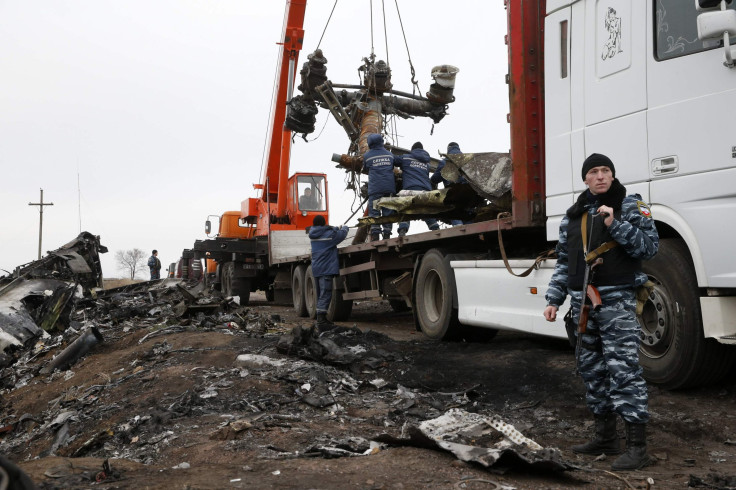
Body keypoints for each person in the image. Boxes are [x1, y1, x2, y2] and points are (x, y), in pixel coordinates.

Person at [543, 153, 659, 471]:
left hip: (617, 302)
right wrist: (553, 299)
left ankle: (637, 448)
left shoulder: (630, 205)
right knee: (592, 371)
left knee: (624, 372)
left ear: (612, 175)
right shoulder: (574, 216)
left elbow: (649, 248)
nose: (600, 176)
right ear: (585, 179)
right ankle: (605, 438)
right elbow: (565, 263)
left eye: (605, 170)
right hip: (583, 305)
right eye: (593, 171)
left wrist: (615, 225)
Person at [308, 215, 349, 331]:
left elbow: (330, 234)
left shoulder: (313, 234)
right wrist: (344, 228)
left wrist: (334, 229)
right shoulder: (328, 235)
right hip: (325, 268)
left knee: (321, 293)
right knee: (326, 293)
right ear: (323, 223)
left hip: (317, 268)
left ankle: (322, 318)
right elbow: (341, 236)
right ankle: (321, 320)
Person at [394, 141, 440, 236]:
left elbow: (393, 160)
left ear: (412, 150)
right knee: (427, 212)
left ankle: (402, 230)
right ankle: (436, 230)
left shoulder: (406, 158)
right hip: (425, 191)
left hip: (410, 189)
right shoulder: (427, 163)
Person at [363, 133, 397, 241]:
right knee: (388, 210)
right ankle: (387, 234)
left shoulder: (367, 156)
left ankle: (375, 235)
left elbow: (365, 168)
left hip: (375, 190)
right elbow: (392, 167)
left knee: (375, 212)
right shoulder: (390, 155)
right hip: (389, 188)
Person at [430, 141, 467, 226]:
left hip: (454, 192)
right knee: (468, 215)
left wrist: (431, 181)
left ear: (448, 150)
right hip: (469, 192)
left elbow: (436, 178)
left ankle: (460, 233)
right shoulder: (467, 160)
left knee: (455, 214)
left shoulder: (445, 162)